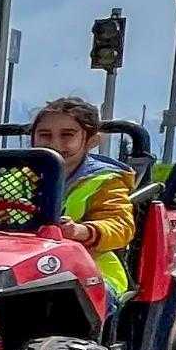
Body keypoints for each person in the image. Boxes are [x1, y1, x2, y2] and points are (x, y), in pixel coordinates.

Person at [30, 97, 135, 295]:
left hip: (91, 272)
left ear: (91, 141)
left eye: (67, 135)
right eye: (45, 135)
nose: (54, 144)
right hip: (26, 268)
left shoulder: (105, 180)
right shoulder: (17, 177)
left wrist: (81, 231)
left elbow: (121, 225)